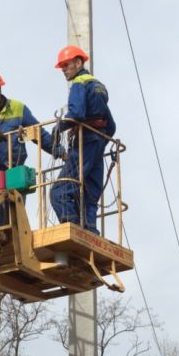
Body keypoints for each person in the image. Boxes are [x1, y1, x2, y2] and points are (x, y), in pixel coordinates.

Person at [0, 70, 63, 224]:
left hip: (14, 170)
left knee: (15, 217)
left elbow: (38, 134)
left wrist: (60, 152)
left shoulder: (18, 108)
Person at [49, 45, 116, 235]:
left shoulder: (79, 83)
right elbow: (111, 126)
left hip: (85, 143)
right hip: (96, 144)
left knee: (59, 191)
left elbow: (77, 113)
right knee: (89, 193)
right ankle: (90, 230)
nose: (63, 69)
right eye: (62, 66)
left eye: (66, 65)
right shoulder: (98, 86)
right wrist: (99, 143)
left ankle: (73, 229)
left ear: (79, 63)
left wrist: (59, 128)